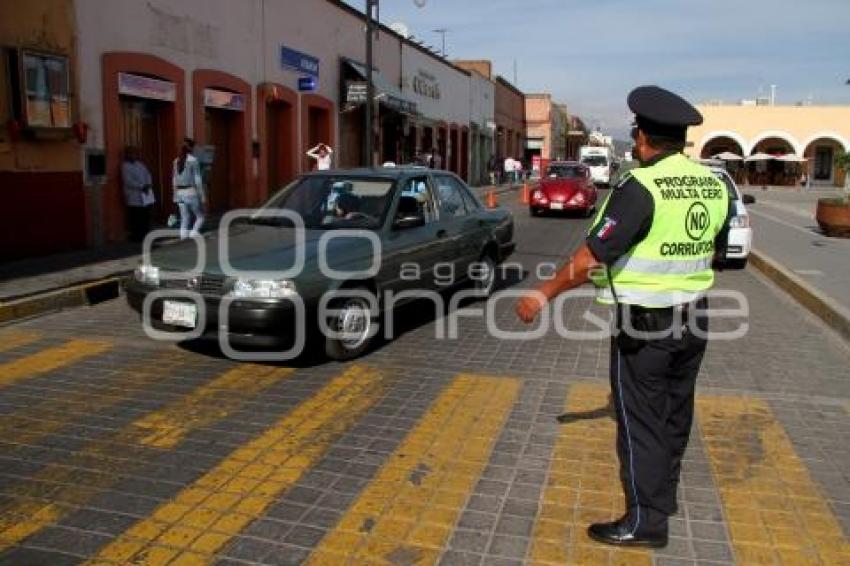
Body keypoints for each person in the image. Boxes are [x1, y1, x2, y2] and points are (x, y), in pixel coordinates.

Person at [515, 86, 732, 548]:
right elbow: (714, 249)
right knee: (675, 413)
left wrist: (543, 294)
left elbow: (593, 255)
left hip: (645, 325)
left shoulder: (640, 187)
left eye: (636, 133)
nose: (634, 141)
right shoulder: (713, 184)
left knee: (640, 421)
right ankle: (662, 499)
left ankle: (645, 522)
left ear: (644, 137)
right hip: (695, 319)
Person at [172, 138, 205, 239]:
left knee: (184, 218)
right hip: (191, 192)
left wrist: (175, 195)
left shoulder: (176, 161)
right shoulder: (193, 160)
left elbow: (174, 179)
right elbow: (197, 179)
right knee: (200, 217)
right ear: (191, 148)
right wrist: (202, 195)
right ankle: (193, 234)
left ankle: (183, 238)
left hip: (180, 193)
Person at [121, 146, 154, 242]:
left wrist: (148, 184)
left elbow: (148, 174)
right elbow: (128, 181)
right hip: (134, 195)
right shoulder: (125, 166)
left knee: (145, 216)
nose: (133, 155)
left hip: (145, 194)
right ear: (127, 155)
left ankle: (145, 235)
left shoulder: (140, 164)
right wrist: (141, 186)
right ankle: (136, 237)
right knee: (136, 217)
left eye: (134, 153)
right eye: (131, 153)